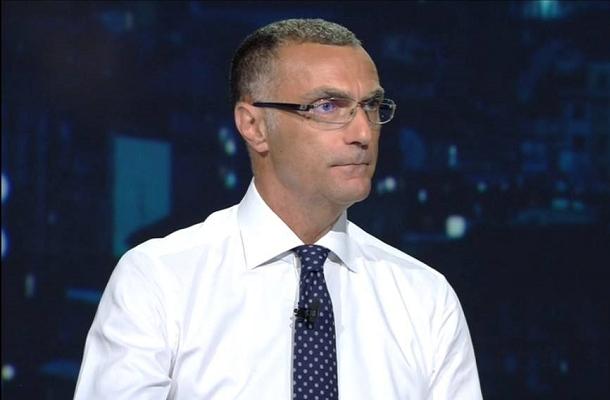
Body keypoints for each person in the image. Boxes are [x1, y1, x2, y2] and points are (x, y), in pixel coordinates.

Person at [74, 18, 482, 399]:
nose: (362, 133)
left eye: (372, 107)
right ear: (254, 126)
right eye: (328, 106)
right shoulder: (160, 281)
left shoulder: (425, 298)